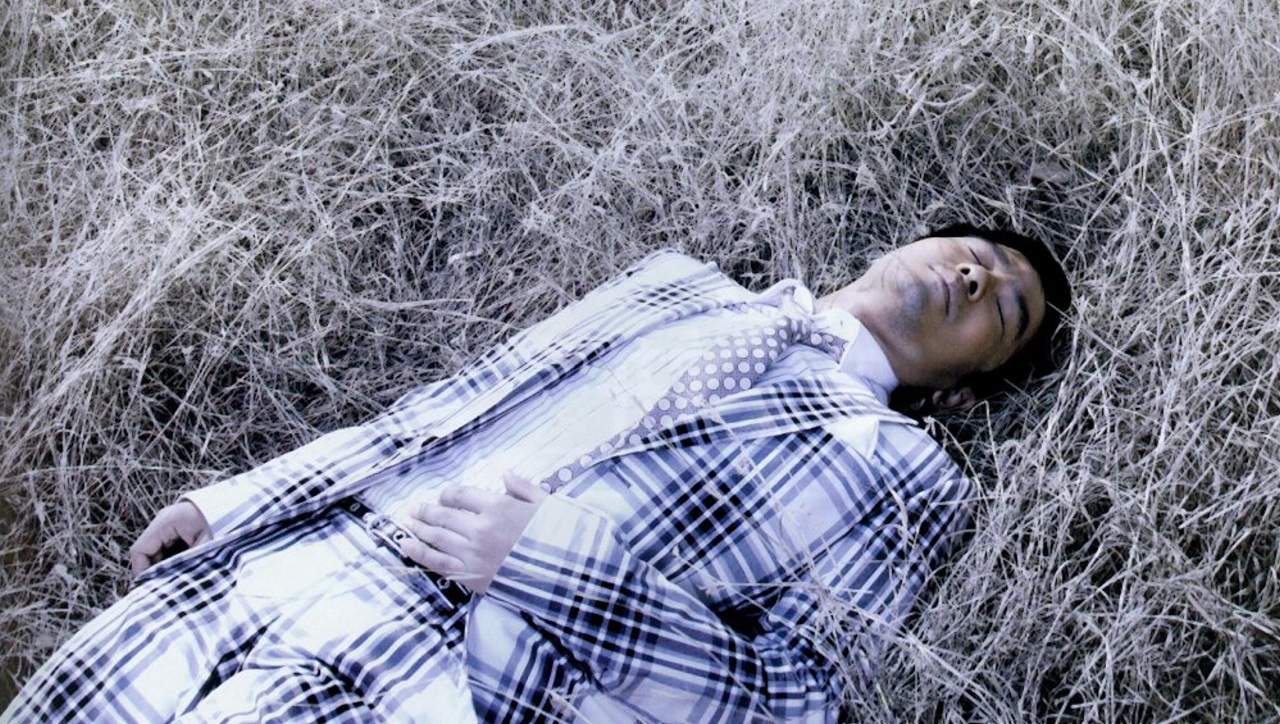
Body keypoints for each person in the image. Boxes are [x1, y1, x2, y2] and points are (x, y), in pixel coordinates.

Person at [2, 223, 1070, 724]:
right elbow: (452, 403)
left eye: (1005, 307)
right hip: (296, 563)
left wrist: (551, 564)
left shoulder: (908, 475)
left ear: (964, 392)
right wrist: (239, 501)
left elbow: (792, 701)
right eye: (972, 250)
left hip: (439, 676)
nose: (974, 274)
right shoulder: (677, 284)